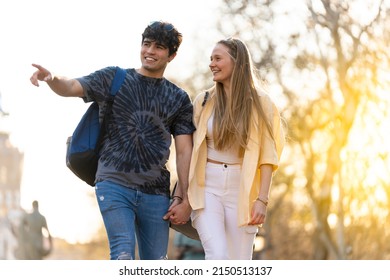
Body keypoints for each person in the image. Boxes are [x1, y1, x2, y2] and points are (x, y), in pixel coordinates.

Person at [30, 21, 195, 260]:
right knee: (122, 252)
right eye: (146, 44)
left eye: (158, 47)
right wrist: (52, 78)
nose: (149, 51)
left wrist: (184, 198)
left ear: (172, 55)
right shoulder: (114, 78)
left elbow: (184, 153)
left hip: (156, 193)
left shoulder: (178, 98)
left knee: (157, 262)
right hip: (114, 182)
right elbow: (72, 86)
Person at [187, 37, 285, 260]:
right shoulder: (203, 101)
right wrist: (182, 195)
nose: (212, 64)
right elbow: (189, 150)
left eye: (218, 58)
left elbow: (268, 155)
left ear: (237, 62)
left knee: (240, 262)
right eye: (211, 59)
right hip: (207, 187)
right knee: (218, 256)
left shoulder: (262, 103)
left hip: (242, 189)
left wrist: (262, 199)